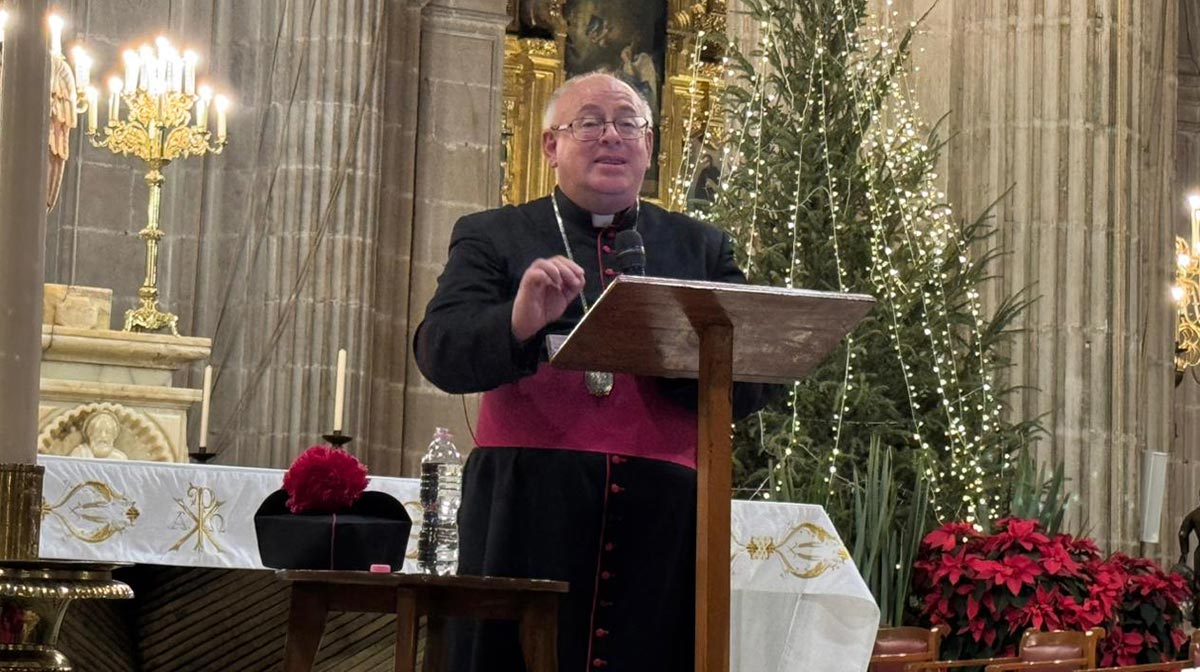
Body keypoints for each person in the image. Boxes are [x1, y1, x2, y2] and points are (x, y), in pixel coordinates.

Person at [414, 71, 765, 672]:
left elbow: (757, 376)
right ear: (550, 145)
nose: (612, 136)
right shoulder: (494, 235)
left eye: (629, 124)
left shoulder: (701, 247)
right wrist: (518, 322)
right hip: (526, 506)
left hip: (663, 514)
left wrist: (674, 352)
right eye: (590, 122)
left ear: (648, 147)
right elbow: (438, 351)